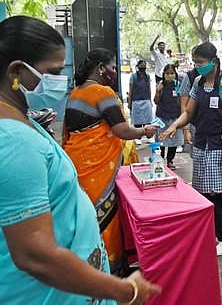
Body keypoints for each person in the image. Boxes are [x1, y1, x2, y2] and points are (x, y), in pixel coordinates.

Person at [0, 15, 160, 304]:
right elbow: (36, 256)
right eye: (53, 71)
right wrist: (123, 289)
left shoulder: (25, 119)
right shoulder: (12, 140)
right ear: (16, 72)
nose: (60, 81)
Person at [63, 48, 158, 272]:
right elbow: (122, 131)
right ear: (100, 68)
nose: (114, 72)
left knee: (83, 217)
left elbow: (68, 133)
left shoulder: (75, 93)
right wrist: (145, 131)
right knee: (106, 221)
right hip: (98, 171)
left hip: (77, 164)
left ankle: (84, 269)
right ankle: (110, 270)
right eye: (113, 67)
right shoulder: (102, 93)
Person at [160, 41, 222, 256]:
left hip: (221, 148)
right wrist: (175, 126)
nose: (197, 66)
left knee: (220, 195)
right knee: (204, 194)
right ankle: (213, 234)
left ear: (214, 62)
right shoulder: (197, 82)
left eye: (201, 62)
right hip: (201, 147)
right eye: (195, 62)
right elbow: (188, 112)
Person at [154, 64, 183, 169]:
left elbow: (181, 101)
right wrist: (158, 91)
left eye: (172, 73)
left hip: (174, 117)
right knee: (160, 140)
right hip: (161, 117)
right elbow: (156, 101)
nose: (170, 75)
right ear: (163, 74)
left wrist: (181, 117)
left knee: (173, 140)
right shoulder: (160, 84)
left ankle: (170, 160)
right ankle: (160, 160)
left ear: (175, 74)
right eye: (167, 73)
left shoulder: (178, 85)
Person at [129, 60, 153, 144]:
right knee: (137, 121)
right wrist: (129, 103)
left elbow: (149, 89)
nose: (143, 67)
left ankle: (149, 136)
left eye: (144, 65)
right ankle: (138, 138)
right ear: (138, 66)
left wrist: (150, 101)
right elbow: (131, 90)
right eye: (141, 65)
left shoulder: (148, 76)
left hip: (146, 101)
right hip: (136, 101)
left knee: (147, 120)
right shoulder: (133, 76)